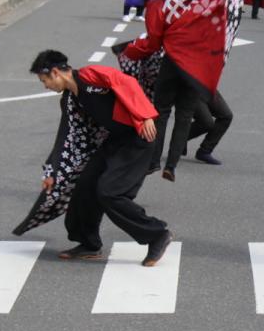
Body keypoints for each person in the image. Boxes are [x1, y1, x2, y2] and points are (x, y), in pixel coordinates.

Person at [116, 0, 258, 181]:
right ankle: (171, 165)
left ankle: (152, 161)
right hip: (198, 63)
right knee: (185, 114)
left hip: (172, 61)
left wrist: (130, 52)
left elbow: (152, 43)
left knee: (160, 110)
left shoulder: (157, 7)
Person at [15, 50, 172, 266]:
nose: (45, 86)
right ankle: (88, 243)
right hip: (115, 141)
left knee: (109, 192)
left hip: (138, 139)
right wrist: (52, 171)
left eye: (45, 81)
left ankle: (156, 234)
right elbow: (66, 137)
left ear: (55, 73)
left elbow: (126, 82)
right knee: (85, 186)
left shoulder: (90, 75)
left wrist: (144, 114)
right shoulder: (70, 100)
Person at [183, 92, 234, 165]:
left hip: (209, 88)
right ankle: (180, 139)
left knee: (226, 116)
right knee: (206, 123)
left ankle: (204, 151)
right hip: (191, 89)